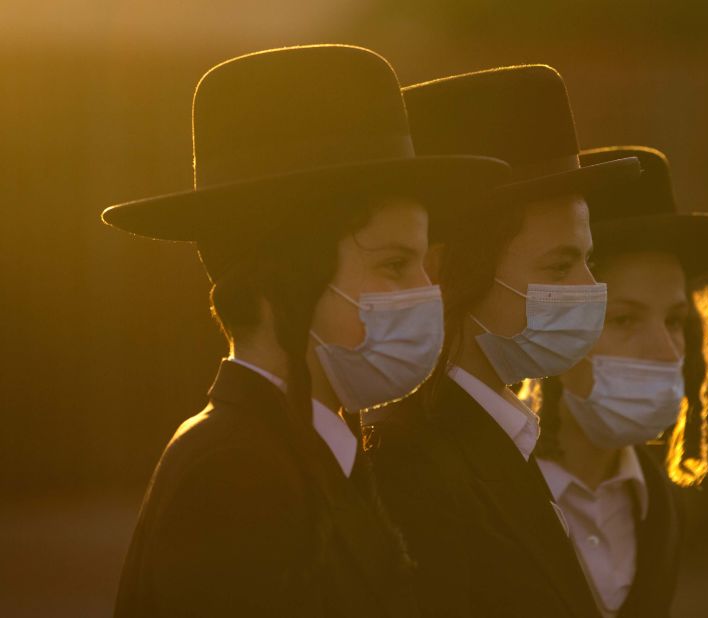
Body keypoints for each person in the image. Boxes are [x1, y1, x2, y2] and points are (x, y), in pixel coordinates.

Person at [101, 45, 509, 617]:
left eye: (423, 264)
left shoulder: (315, 450)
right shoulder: (234, 475)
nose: (427, 292)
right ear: (280, 282)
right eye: (394, 264)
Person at [365, 65, 640, 617]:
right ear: (447, 272)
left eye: (588, 261)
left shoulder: (511, 437)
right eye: (559, 266)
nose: (590, 289)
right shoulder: (412, 466)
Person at [533, 146, 708, 617]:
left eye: (674, 321)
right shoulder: (493, 488)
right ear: (557, 326)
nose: (665, 351)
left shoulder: (658, 508)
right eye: (625, 319)